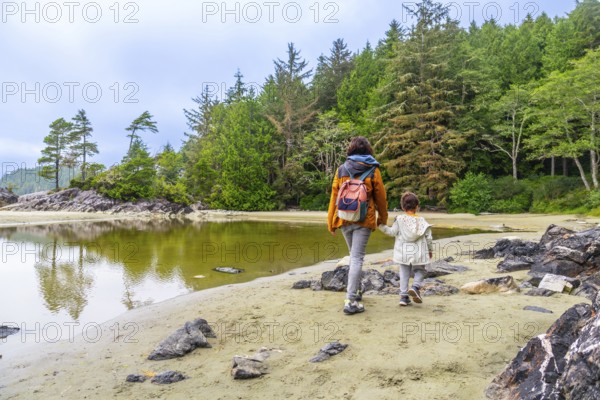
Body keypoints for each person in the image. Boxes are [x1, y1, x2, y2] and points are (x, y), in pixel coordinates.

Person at [327, 136, 388, 315]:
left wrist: (331, 221)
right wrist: (382, 218)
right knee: (356, 258)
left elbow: (334, 197)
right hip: (363, 219)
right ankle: (351, 300)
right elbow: (381, 198)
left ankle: (357, 291)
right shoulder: (373, 169)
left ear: (351, 150)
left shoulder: (341, 169)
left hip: (344, 217)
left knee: (354, 257)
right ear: (368, 150)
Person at [378, 192, 433, 306]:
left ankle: (403, 297)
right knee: (421, 271)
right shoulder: (422, 221)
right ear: (417, 206)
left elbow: (392, 232)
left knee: (404, 273)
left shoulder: (399, 219)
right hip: (419, 252)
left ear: (402, 207)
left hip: (403, 252)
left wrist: (380, 225)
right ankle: (415, 287)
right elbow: (429, 238)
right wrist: (430, 250)